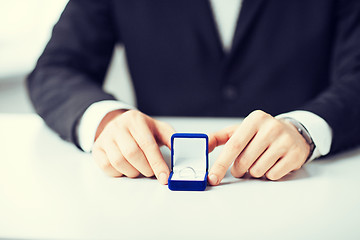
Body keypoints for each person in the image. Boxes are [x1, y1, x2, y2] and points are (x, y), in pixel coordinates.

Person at [27, 0, 360, 186]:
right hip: (152, 195)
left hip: (303, 185)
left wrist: (306, 129)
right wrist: (105, 120)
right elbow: (56, 68)